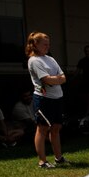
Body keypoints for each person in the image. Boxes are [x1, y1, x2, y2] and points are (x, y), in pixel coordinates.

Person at [26, 31, 67, 169]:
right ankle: (42, 161)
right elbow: (46, 79)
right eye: (44, 44)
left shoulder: (51, 59)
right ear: (35, 44)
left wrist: (56, 79)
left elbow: (63, 77)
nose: (47, 47)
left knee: (56, 128)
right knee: (42, 129)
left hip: (57, 98)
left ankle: (58, 158)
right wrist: (57, 79)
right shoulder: (34, 61)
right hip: (44, 99)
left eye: (48, 44)